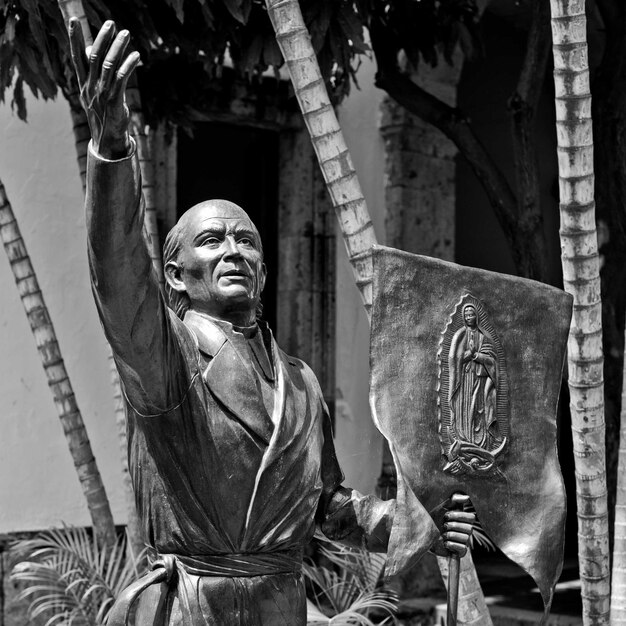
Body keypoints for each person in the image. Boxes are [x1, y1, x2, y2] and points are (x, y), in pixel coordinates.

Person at [69, 19, 475, 625]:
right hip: (195, 608)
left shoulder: (302, 384)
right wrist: (110, 150)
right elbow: (121, 280)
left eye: (247, 240)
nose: (234, 250)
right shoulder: (166, 360)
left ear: (263, 268)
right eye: (211, 240)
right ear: (177, 276)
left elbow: (334, 510)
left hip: (282, 606)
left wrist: (422, 523)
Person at [449, 304, 498, 448]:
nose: (469, 318)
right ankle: (464, 439)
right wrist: (466, 355)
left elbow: (492, 359)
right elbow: (454, 358)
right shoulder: (460, 335)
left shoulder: (484, 337)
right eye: (467, 316)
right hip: (465, 378)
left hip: (480, 377)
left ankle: (482, 442)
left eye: (472, 315)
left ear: (477, 316)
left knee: (479, 408)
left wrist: (478, 355)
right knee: (465, 406)